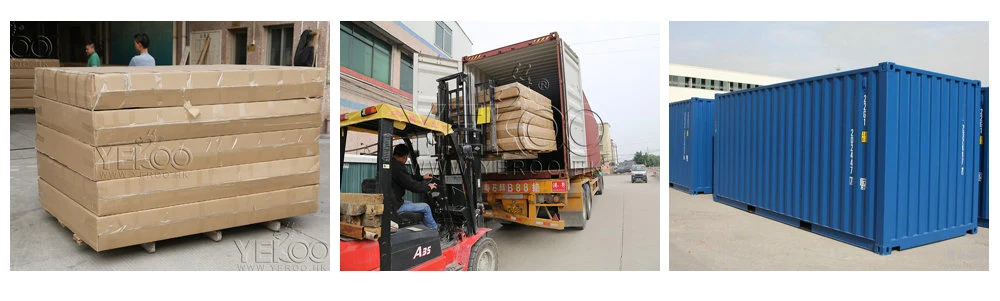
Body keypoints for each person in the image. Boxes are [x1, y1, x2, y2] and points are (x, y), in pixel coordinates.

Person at [390, 144, 438, 230]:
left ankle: (423, 230)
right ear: (405, 156)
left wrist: (422, 177)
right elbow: (412, 185)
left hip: (394, 203)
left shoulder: (391, 164)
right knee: (426, 207)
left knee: (409, 203)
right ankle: (435, 232)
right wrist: (428, 187)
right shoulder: (398, 167)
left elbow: (407, 177)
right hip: (395, 206)